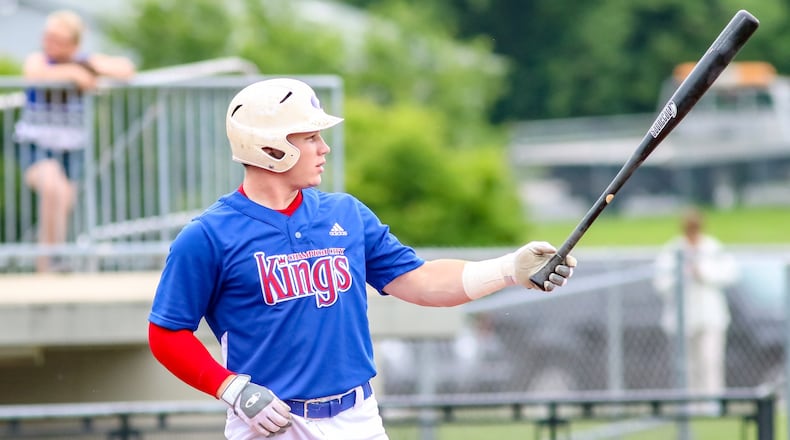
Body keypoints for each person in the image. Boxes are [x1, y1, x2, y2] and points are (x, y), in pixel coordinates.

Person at [148, 78, 577, 440]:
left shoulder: (345, 214)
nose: (323, 148)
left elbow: (421, 280)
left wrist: (507, 269)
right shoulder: (207, 236)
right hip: (270, 424)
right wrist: (232, 389)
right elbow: (167, 333)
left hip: (357, 419)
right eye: (310, 137)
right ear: (270, 147)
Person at [13, 9, 135, 272]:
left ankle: (53, 257)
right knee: (52, 185)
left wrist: (90, 68)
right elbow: (34, 74)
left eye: (58, 39)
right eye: (48, 37)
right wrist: (74, 74)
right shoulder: (39, 60)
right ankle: (47, 262)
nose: (50, 43)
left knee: (64, 198)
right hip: (36, 146)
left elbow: (126, 69)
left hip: (71, 149)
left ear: (73, 44)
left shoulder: (84, 60)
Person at [653, 207, 738, 397]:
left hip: (710, 317)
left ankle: (711, 403)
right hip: (682, 319)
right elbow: (661, 283)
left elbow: (729, 273)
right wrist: (681, 274)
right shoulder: (673, 249)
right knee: (685, 365)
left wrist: (703, 272)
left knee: (710, 361)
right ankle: (688, 404)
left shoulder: (712, 247)